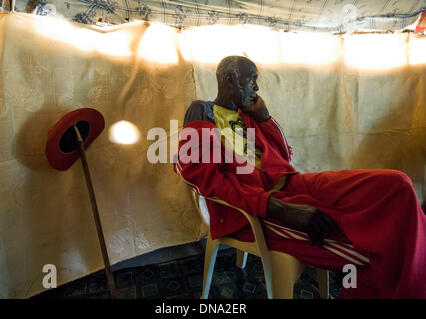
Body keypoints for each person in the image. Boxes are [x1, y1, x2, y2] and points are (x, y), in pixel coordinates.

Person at [174, 55, 426, 298]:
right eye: (252, 80)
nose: (257, 87)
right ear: (230, 79)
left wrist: (264, 116)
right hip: (255, 207)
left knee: (397, 185)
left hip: (291, 183)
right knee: (371, 242)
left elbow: (283, 155)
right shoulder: (202, 111)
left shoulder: (246, 115)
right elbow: (202, 178)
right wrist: (278, 208)